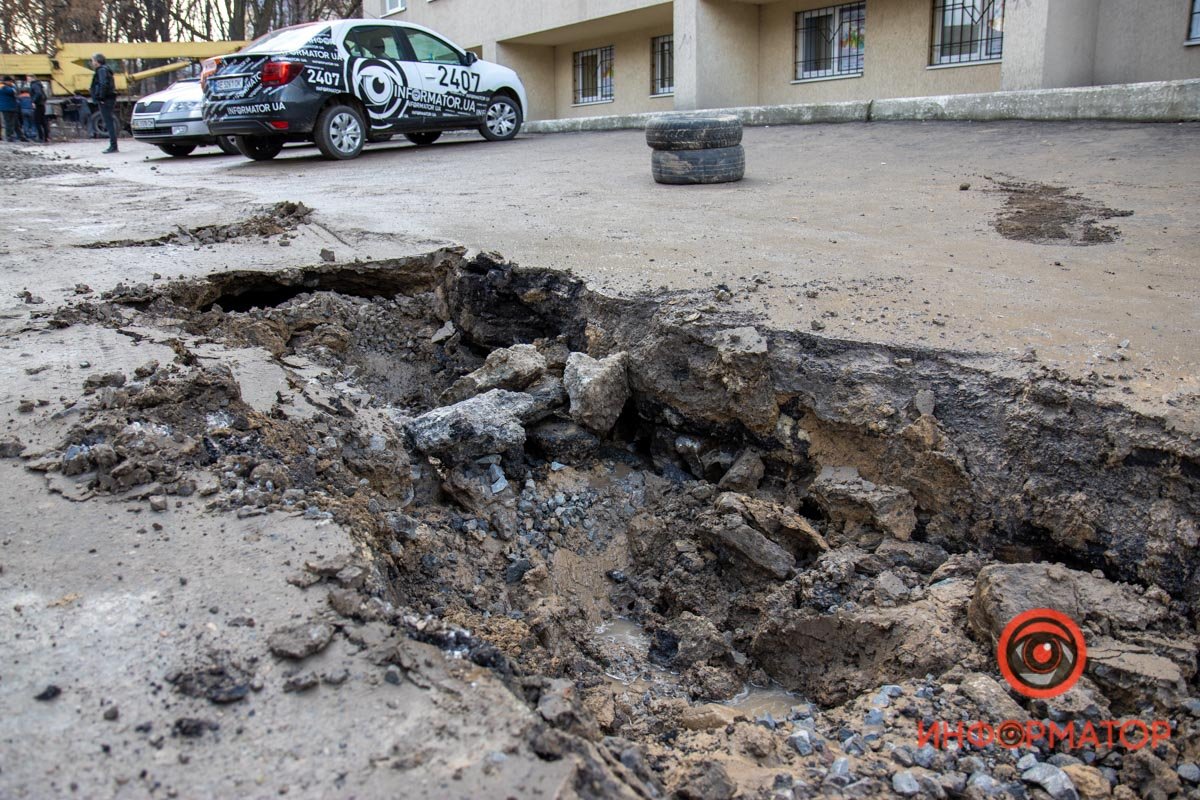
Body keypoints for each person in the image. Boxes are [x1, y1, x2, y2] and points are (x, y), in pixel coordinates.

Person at [89, 53, 118, 153]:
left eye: (93, 61)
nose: (92, 63)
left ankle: (113, 146)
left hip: (106, 99)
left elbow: (103, 84)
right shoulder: (105, 70)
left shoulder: (101, 70)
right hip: (108, 98)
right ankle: (113, 145)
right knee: (109, 121)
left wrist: (101, 97)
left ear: (97, 61)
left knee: (108, 122)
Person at [27, 76, 48, 143]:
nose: (27, 80)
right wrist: (43, 101)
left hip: (37, 105)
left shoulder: (34, 85)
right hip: (41, 104)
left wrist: (33, 101)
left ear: (32, 78)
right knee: (43, 122)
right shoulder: (39, 85)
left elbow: (38, 93)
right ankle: (46, 137)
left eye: (28, 78)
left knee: (37, 122)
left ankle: (41, 138)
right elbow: (44, 96)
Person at [0, 76, 18, 143]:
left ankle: (10, 135)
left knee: (10, 122)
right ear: (6, 81)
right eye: (10, 81)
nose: (11, 82)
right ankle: (9, 136)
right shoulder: (4, 87)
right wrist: (13, 86)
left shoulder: (2, 86)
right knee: (9, 123)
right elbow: (13, 91)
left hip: (7, 107)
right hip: (8, 107)